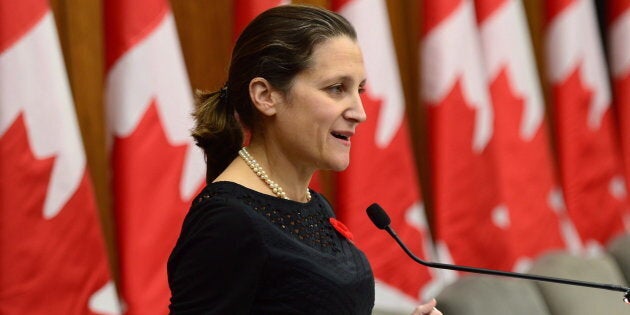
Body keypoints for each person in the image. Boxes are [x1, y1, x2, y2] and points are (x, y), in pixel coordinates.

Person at [167, 4, 442, 315]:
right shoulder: (228, 222)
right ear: (265, 96)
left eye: (359, 90)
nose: (360, 113)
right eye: (336, 88)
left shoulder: (312, 203)